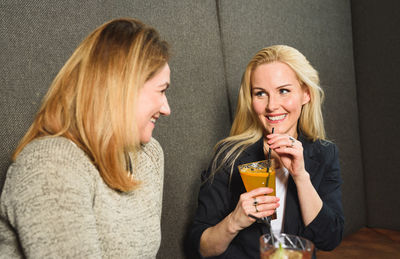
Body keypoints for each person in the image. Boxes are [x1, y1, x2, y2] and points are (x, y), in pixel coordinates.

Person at [0, 18, 171, 258]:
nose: (166, 109)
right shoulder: (52, 165)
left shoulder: (149, 155)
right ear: (122, 88)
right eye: (162, 90)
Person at [189, 45, 344, 258]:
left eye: (284, 91)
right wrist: (235, 220)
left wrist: (301, 177)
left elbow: (330, 239)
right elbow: (202, 248)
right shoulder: (228, 156)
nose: (272, 106)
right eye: (260, 93)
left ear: (306, 94)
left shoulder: (324, 154)